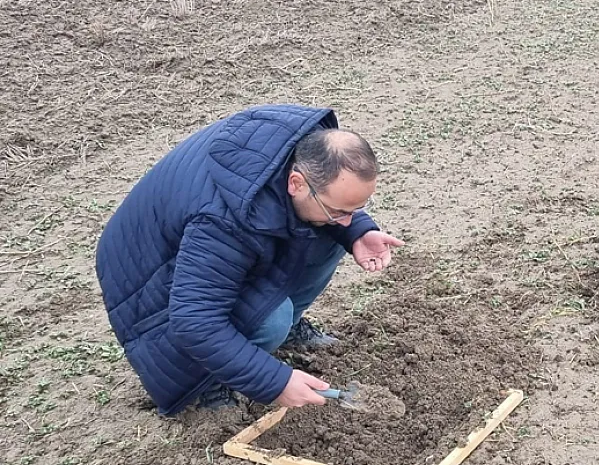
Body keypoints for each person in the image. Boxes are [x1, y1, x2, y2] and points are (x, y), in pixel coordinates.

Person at [95, 105, 404, 416]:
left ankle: (279, 333)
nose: (348, 220)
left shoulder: (303, 149)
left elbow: (333, 212)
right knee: (272, 319)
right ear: (296, 183)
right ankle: (210, 377)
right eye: (340, 209)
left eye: (357, 208)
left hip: (201, 244)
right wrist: (273, 382)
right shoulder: (220, 222)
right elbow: (193, 321)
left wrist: (359, 233)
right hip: (150, 278)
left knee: (330, 234)